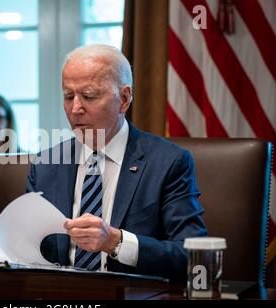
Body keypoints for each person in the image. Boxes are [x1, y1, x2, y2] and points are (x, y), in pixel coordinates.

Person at [26, 44, 207, 282]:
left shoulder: (169, 163)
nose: (76, 109)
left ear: (124, 99)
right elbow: (30, 248)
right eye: (69, 96)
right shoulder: (46, 165)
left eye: (89, 96)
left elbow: (193, 257)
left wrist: (115, 241)